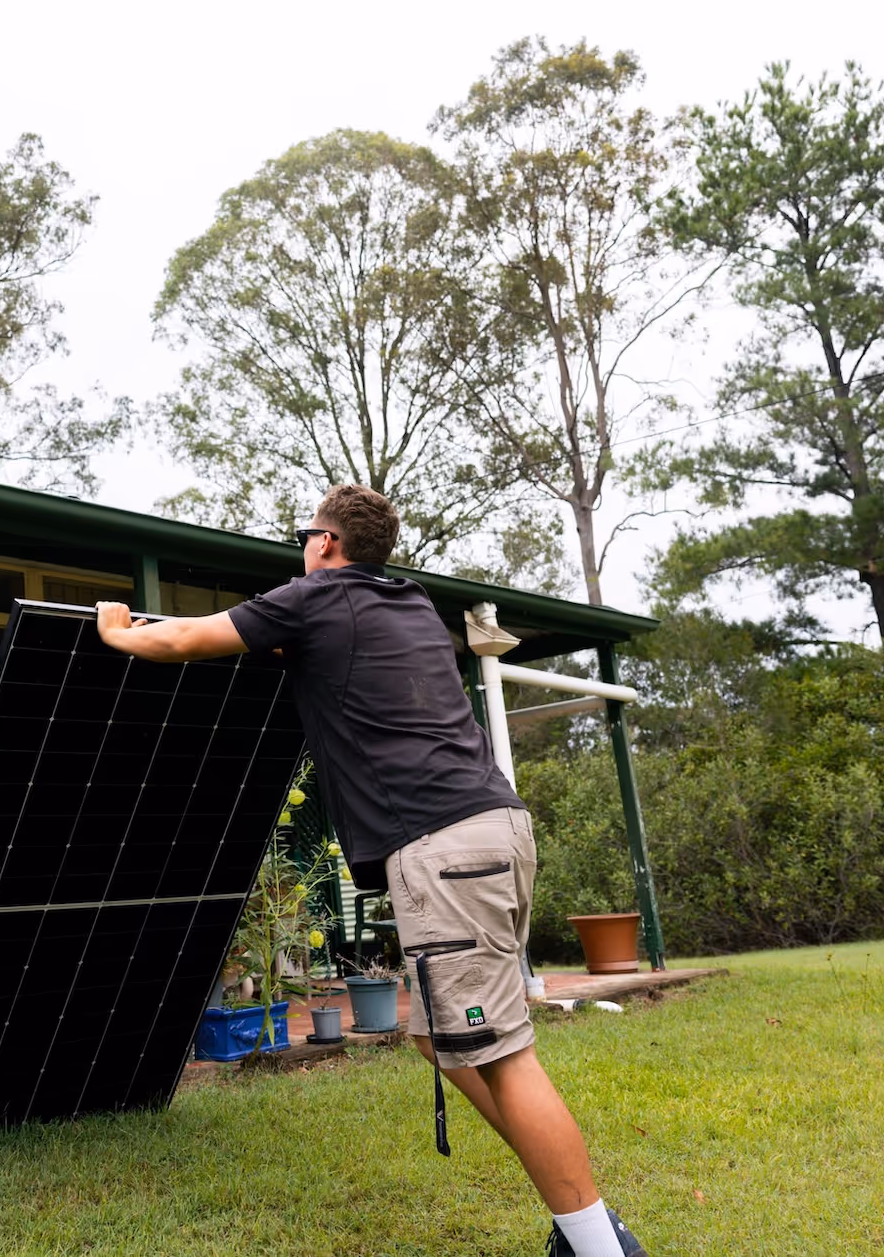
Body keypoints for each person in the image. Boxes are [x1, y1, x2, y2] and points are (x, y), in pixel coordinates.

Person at [93, 484, 647, 1257]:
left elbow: (185, 638)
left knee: (503, 1055)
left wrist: (119, 631)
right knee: (433, 1037)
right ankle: (575, 1218)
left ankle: (599, 1244)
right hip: (498, 829)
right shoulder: (409, 604)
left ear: (325, 544)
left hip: (444, 846)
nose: (301, 549)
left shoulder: (315, 599)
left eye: (304, 536)